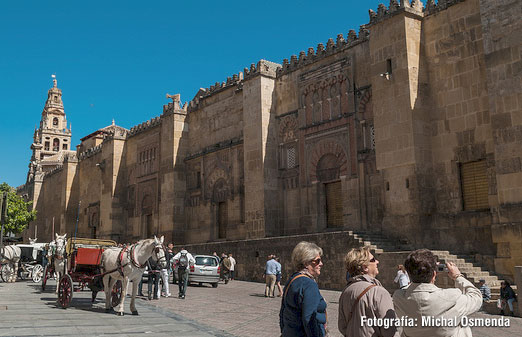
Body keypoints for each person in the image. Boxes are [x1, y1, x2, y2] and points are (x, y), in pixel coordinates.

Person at [393, 249, 482, 336]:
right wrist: (458, 276)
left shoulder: (399, 297)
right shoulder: (452, 297)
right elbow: (476, 297)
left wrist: (428, 271)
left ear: (408, 274)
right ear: (434, 274)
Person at [338, 247, 397, 337]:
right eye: (373, 260)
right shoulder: (378, 292)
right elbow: (390, 330)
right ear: (365, 267)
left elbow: (342, 326)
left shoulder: (346, 291)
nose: (377, 262)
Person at [279, 241, 327, 337]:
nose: (321, 264)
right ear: (306, 263)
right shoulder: (309, 284)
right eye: (317, 261)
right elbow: (309, 319)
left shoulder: (293, 280)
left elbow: (282, 313)